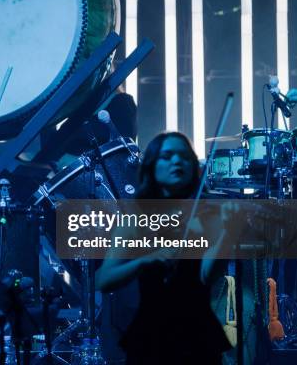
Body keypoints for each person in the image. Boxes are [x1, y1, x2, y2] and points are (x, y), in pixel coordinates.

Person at [95, 132, 233, 364]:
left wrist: (228, 233)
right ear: (152, 166)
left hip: (198, 333)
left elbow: (208, 275)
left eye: (184, 157)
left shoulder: (206, 216)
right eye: (167, 156)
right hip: (150, 334)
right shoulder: (135, 219)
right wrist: (145, 260)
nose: (177, 162)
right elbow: (104, 279)